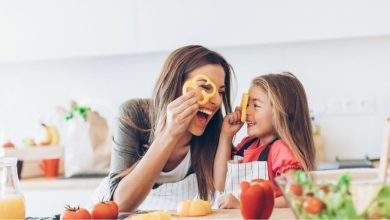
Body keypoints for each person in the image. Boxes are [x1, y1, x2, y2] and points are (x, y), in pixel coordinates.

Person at [108, 45, 235, 212]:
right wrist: (170, 133)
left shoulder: (215, 132)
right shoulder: (134, 114)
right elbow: (120, 205)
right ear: (176, 85)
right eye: (205, 87)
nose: (216, 101)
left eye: (221, 92)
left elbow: (223, 190)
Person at [214, 72, 315, 209]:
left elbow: (297, 197)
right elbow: (220, 184)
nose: (246, 112)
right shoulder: (247, 144)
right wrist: (226, 135)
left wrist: (244, 205)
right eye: (247, 104)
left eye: (255, 106)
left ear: (281, 112)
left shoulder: (281, 149)